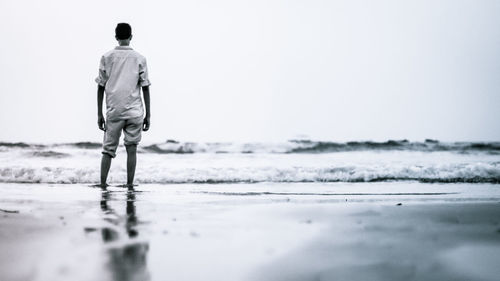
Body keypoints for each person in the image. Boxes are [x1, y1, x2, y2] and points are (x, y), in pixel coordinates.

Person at [95, 23, 151, 188]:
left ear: (116, 37)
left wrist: (99, 113)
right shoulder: (140, 58)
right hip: (135, 111)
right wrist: (149, 114)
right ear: (131, 37)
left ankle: (103, 184)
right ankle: (129, 185)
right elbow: (145, 87)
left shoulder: (107, 57)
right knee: (131, 149)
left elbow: (100, 87)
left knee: (108, 150)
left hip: (114, 110)